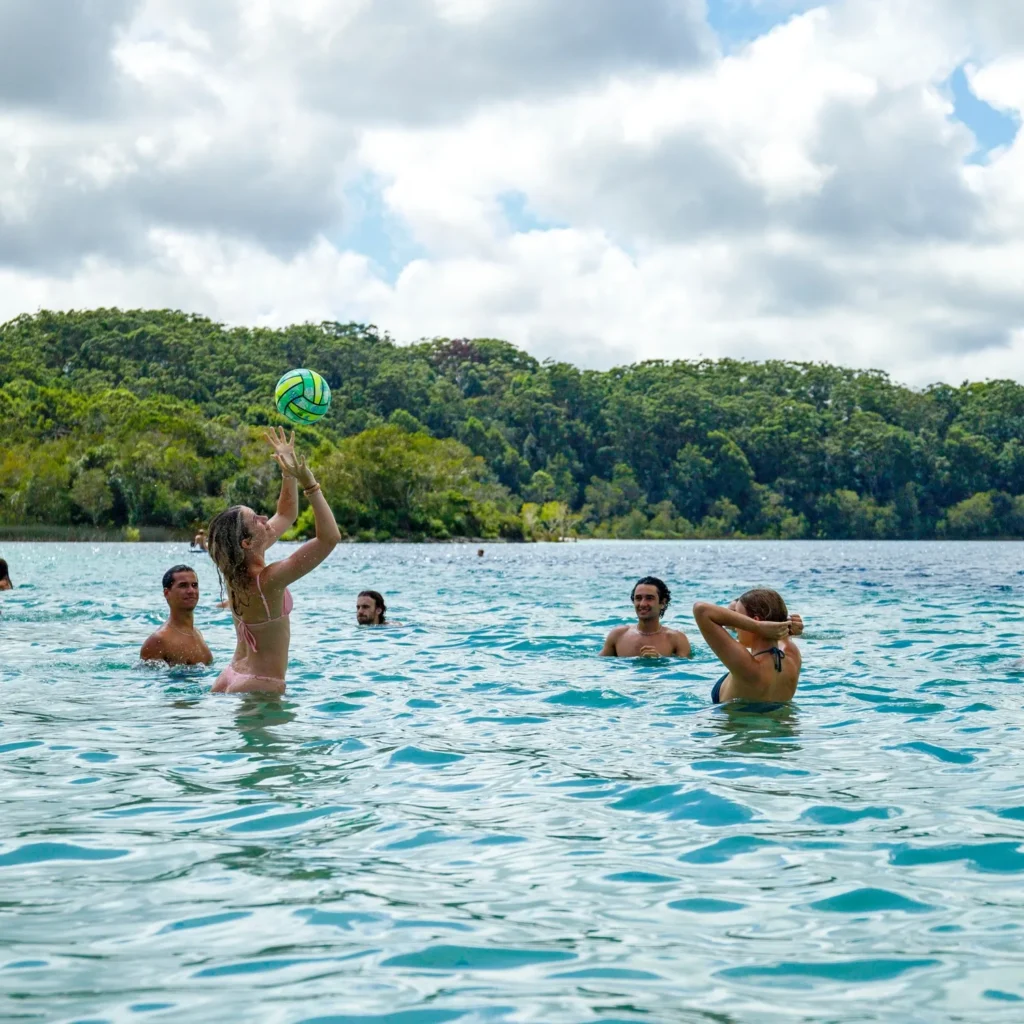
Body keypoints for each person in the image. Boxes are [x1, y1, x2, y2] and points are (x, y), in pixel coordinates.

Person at [208, 428, 340, 695]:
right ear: (246, 543)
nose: (264, 518)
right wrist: (310, 484)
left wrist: (288, 470)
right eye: (255, 519)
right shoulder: (268, 580)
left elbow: (286, 513)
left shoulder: (234, 569)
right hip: (260, 682)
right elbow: (329, 539)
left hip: (231, 675)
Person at [693, 589, 803, 705]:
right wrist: (787, 625)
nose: (736, 627)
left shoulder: (747, 667)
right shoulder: (793, 656)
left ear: (755, 621)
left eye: (739, 618)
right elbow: (782, 635)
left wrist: (757, 626)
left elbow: (701, 610)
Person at [140, 565, 213, 666]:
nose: (191, 591)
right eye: (183, 586)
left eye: (194, 585)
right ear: (167, 593)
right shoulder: (158, 640)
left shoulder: (197, 633)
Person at [600, 576, 692, 657]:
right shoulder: (618, 636)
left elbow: (685, 668)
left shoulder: (677, 639)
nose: (642, 604)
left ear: (662, 603)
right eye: (638, 598)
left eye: (649, 598)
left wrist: (660, 661)